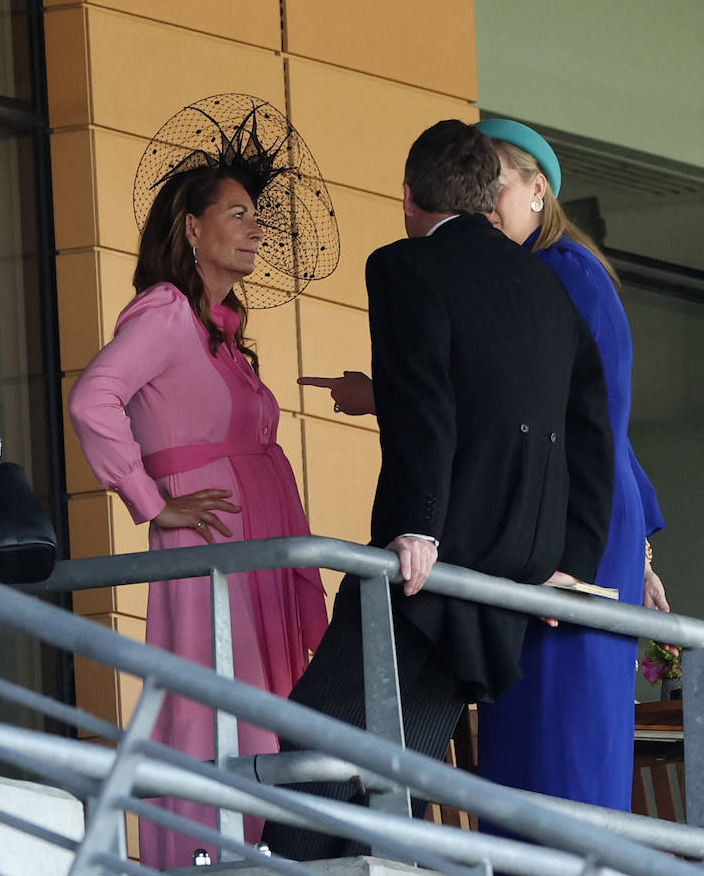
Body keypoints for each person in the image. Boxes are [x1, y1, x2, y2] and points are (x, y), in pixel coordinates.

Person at [262, 120, 614, 860]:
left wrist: (418, 525)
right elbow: (589, 430)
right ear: (490, 199)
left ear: (407, 196)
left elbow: (428, 403)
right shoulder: (551, 286)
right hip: (516, 564)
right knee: (395, 762)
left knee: (315, 741)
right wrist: (569, 559)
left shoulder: (405, 266)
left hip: (433, 556)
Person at [67, 95, 339, 869]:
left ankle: (275, 848)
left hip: (260, 545)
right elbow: (93, 398)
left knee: (267, 706)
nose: (257, 229)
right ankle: (209, 855)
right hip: (213, 543)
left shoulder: (221, 331)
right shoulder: (162, 311)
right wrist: (150, 501)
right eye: (239, 213)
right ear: (191, 229)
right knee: (215, 710)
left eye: (258, 216)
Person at [470, 118, 668, 817]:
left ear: (537, 190)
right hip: (567, 514)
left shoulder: (563, 273)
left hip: (571, 520)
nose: (485, 203)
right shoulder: (539, 271)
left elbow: (593, 420)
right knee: (538, 716)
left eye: (497, 185)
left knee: (565, 721)